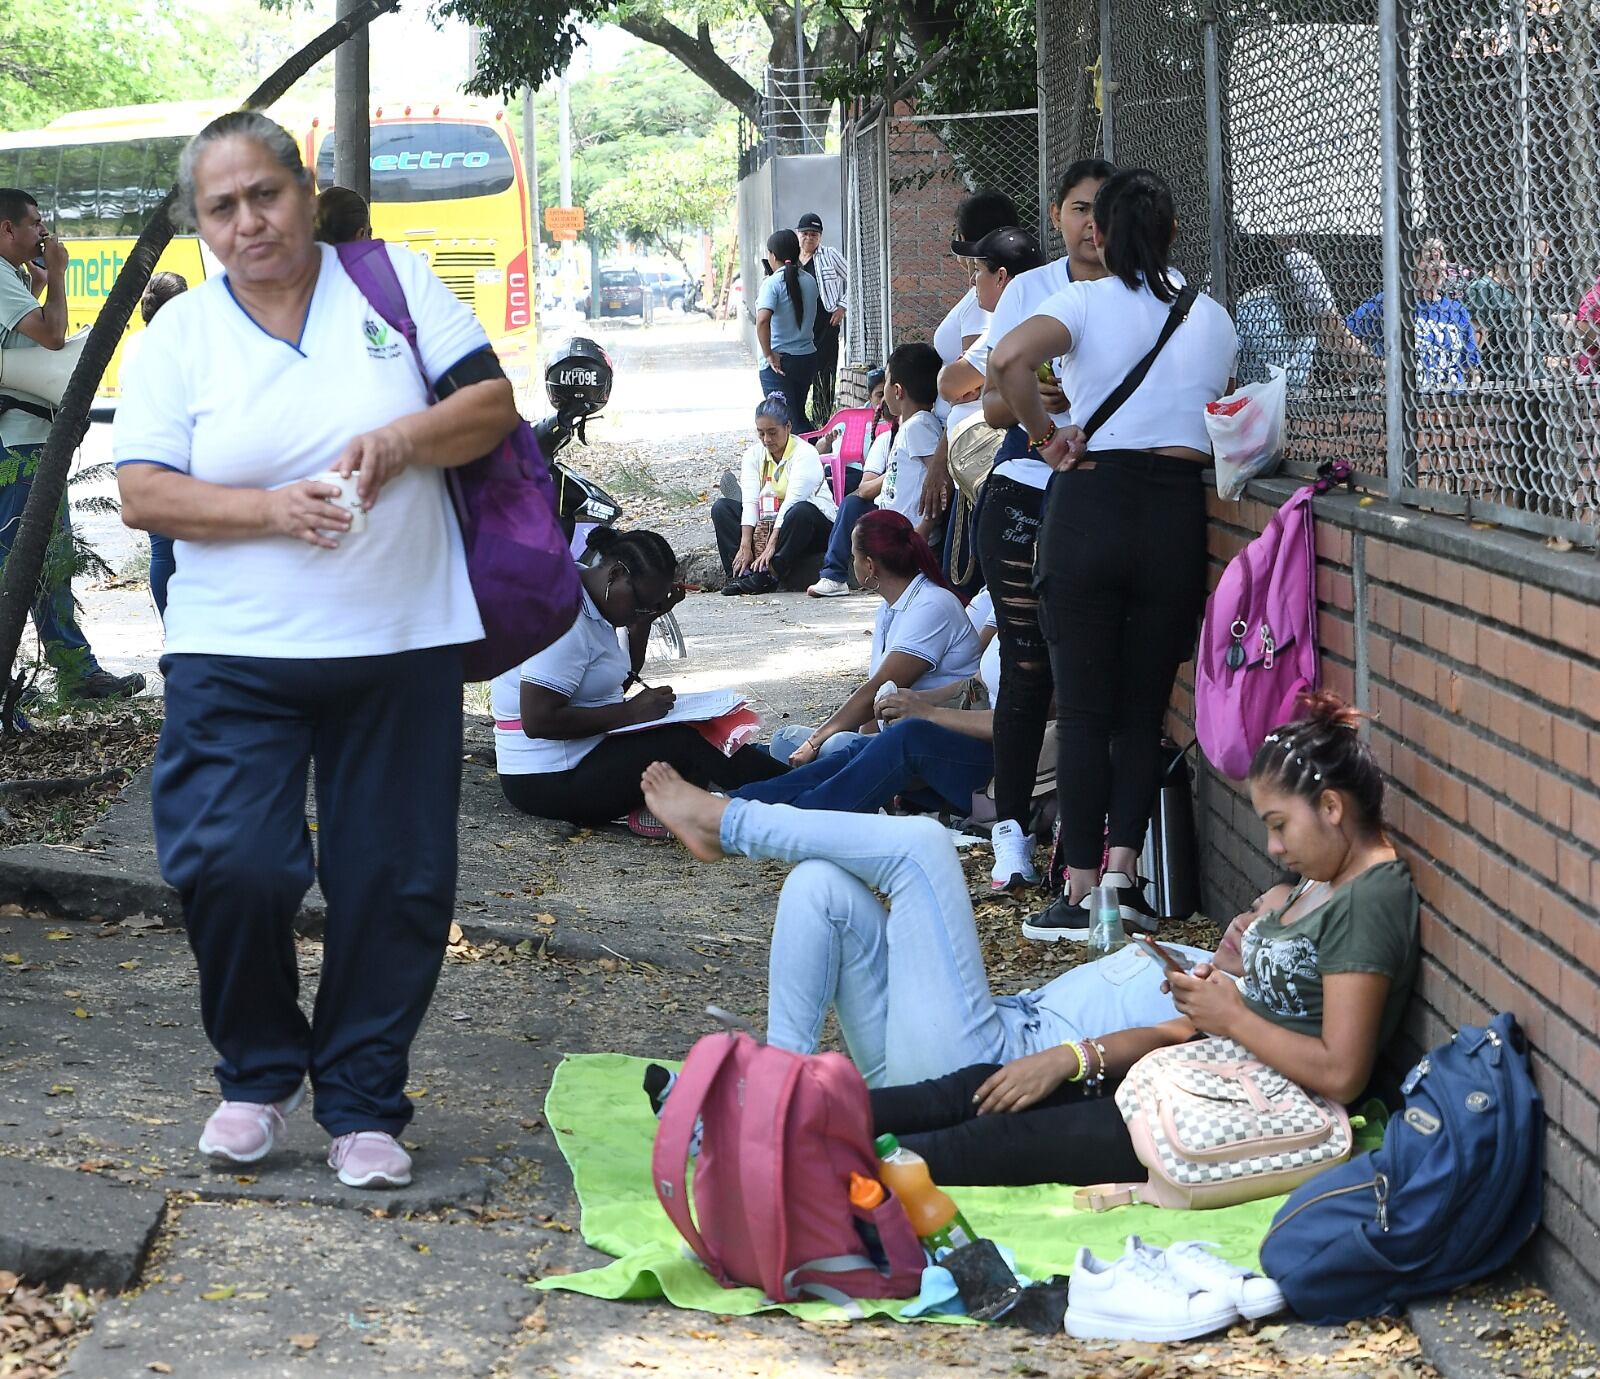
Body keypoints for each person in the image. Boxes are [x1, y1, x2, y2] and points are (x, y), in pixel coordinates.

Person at [112, 111, 523, 1190]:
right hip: (233, 653)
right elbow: (143, 490)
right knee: (230, 863)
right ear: (199, 224)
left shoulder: (391, 287)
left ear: (305, 189)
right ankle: (255, 1073)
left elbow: (489, 404)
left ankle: (362, 1100)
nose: (251, 221)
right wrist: (266, 510)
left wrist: (400, 438)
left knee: (394, 879)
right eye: (223, 207)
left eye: (268, 194)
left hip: (399, 641)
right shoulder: (183, 337)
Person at [641, 692, 1418, 1187]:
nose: (1270, 865)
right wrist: (1247, 936)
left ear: (1333, 808)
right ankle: (770, 1088)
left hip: (1000, 1050)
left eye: (1281, 828)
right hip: (1005, 1026)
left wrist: (1219, 1003)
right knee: (820, 887)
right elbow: (1202, 1016)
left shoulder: (1344, 916)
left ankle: (730, 819)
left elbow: (1320, 1061)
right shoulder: (1300, 898)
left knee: (919, 848)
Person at [991, 166, 1237, 942]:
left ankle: (1080, 885)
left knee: (1087, 711)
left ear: (1100, 234)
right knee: (1140, 713)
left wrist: (1042, 436)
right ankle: (1124, 884)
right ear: (1169, 234)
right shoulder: (1213, 318)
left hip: (1091, 506)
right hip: (1174, 515)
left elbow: (1006, 363)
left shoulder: (1086, 300)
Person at [957, 161, 1114, 897]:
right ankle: (1010, 836)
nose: (1092, 224)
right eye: (1080, 208)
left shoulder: (1145, 294)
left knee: (1092, 672)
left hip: (1109, 498)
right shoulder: (1031, 290)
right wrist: (1038, 406)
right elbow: (989, 406)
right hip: (1025, 490)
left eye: (1104, 210)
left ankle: (1097, 850)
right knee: (1027, 669)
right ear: (1056, 215)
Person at [493, 526, 785, 834]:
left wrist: (643, 623)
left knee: (701, 732)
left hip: (579, 755)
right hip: (546, 777)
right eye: (640, 604)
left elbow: (610, 685)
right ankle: (792, 795)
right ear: (616, 574)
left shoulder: (595, 598)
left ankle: (788, 782)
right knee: (684, 744)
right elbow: (538, 721)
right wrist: (631, 713)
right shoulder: (564, 619)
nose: (640, 612)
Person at [0, 188, 145, 701]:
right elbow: (53, 335)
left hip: (26, 437)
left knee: (36, 557)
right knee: (40, 554)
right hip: (18, 443)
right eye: (34, 223)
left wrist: (38, 273)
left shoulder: (10, 273)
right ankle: (74, 673)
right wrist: (58, 274)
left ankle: (68, 669)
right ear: (6, 229)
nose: (44, 232)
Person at [728, 595, 999, 816]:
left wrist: (928, 713)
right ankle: (734, 803)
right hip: (965, 746)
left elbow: (1017, 723)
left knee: (902, 739)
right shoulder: (1009, 622)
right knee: (858, 746)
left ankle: (783, 818)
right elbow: (976, 683)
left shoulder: (932, 606)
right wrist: (917, 700)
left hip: (1002, 774)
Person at [768, 509, 980, 766]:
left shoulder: (932, 605)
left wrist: (815, 741)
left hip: (936, 742)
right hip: (897, 735)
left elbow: (876, 688)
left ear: (869, 565)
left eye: (853, 555)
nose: (851, 562)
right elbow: (876, 698)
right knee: (785, 738)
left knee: (831, 746)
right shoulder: (890, 607)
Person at [926, 189, 1025, 583]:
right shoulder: (985, 293)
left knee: (971, 575)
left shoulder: (991, 302)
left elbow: (964, 386)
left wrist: (939, 459)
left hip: (976, 445)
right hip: (965, 446)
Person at [712, 392, 836, 596]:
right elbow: (750, 501)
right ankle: (740, 574)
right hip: (766, 523)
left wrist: (772, 545)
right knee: (722, 508)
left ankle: (769, 574)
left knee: (800, 511)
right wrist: (745, 545)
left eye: (772, 432)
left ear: (788, 427)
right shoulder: (753, 455)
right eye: (761, 433)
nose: (766, 440)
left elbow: (792, 502)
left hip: (804, 526)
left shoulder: (805, 454)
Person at [118, 271, 189, 619]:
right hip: (176, 456)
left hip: (138, 456)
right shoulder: (178, 347)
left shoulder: (134, 345)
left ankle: (172, 634)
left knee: (163, 550)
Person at [1346, 237, 1481, 393]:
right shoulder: (1390, 302)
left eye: (1441, 258)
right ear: (1410, 265)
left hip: (1449, 401)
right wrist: (1375, 364)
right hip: (1407, 398)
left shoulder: (1457, 310)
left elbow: (1470, 366)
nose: (1437, 264)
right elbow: (1343, 332)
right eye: (1429, 258)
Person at [1232, 237, 1362, 389]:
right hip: (1268, 379)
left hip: (1260, 385)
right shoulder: (1298, 261)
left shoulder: (1299, 262)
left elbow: (1332, 329)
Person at [807, 367, 890, 598]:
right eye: (879, 395)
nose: (884, 402)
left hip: (906, 502)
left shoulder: (922, 427)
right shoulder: (877, 434)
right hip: (868, 484)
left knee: (847, 496)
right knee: (844, 496)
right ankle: (833, 575)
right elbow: (866, 484)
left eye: (889, 394)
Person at [1461, 230, 1553, 381]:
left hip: (1536, 385)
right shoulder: (1484, 289)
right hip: (1503, 386)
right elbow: (1473, 348)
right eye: (1537, 258)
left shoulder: (1524, 296)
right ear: (1514, 253)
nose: (1541, 268)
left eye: (1543, 260)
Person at [876, 342, 944, 535]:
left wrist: (923, 531)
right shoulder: (913, 425)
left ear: (898, 390)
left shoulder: (918, 427)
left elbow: (939, 484)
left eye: (886, 380)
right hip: (898, 534)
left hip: (911, 539)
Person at [756, 229, 820, 432]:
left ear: (773, 255)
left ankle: (812, 456)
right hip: (806, 358)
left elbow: (762, 320)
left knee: (782, 422)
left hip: (779, 362)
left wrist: (768, 355)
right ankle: (816, 452)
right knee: (797, 416)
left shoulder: (772, 283)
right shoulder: (810, 281)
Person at [797, 212, 848, 422]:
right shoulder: (791, 258)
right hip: (800, 326)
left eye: (814, 234)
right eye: (805, 233)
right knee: (802, 372)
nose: (809, 238)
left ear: (820, 237)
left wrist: (842, 307)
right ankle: (800, 418)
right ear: (798, 234)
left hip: (826, 323)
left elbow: (853, 277)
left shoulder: (829, 255)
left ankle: (823, 419)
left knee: (825, 374)